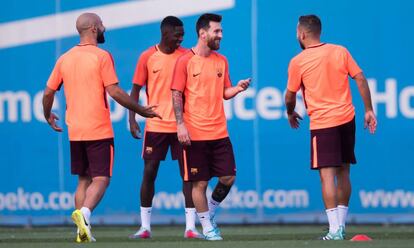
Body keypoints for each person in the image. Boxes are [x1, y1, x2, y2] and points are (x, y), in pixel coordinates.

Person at [42, 12, 160, 243]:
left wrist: (48, 115)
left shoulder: (65, 58)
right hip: (98, 128)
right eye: (102, 24)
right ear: (94, 28)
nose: (104, 27)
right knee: (102, 178)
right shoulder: (101, 56)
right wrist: (139, 109)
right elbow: (114, 91)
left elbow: (48, 92)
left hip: (75, 129)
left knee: (83, 180)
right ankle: (84, 215)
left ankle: (81, 231)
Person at [285, 14, 377, 240]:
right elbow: (361, 78)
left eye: (297, 31)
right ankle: (340, 226)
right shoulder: (340, 51)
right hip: (347, 119)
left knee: (327, 176)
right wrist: (368, 110)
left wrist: (289, 112)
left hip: (323, 124)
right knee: (344, 171)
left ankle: (335, 230)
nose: (297, 35)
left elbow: (289, 95)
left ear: (302, 34)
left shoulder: (298, 61)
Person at [171, 13, 250, 241]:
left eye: (221, 31)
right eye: (217, 31)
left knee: (228, 178)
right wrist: (180, 125)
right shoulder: (185, 60)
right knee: (200, 183)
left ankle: (210, 212)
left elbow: (224, 92)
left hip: (219, 132)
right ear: (202, 33)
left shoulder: (221, 61)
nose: (221, 35)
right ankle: (206, 227)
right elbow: (176, 94)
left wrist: (237, 89)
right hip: (194, 133)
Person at [128, 16, 202, 239]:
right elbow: (135, 91)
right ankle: (145, 227)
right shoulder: (147, 56)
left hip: (182, 127)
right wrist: (132, 119)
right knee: (149, 173)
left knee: (188, 176)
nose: (181, 38)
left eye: (183, 34)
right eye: (177, 34)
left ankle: (190, 227)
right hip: (156, 125)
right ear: (164, 33)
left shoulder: (188, 57)